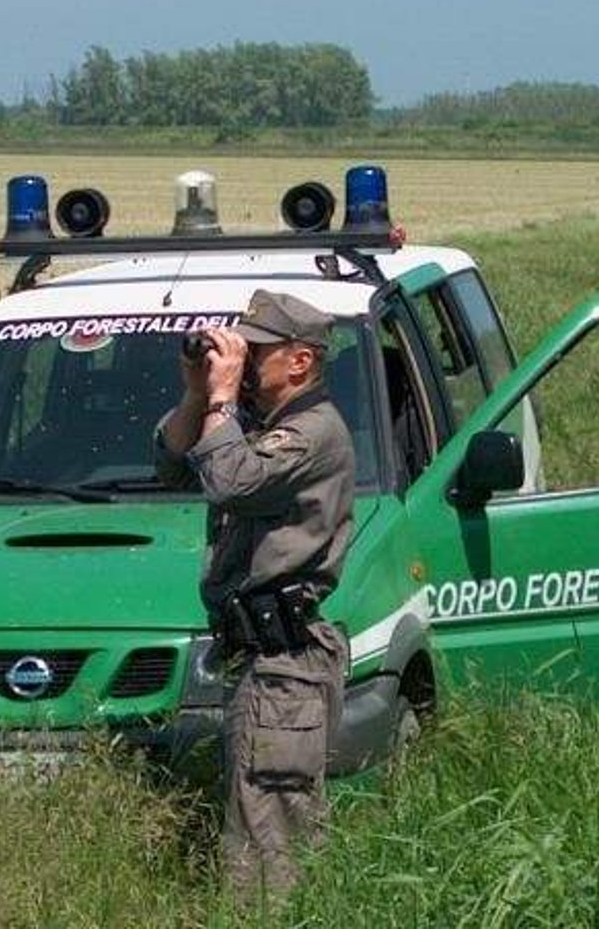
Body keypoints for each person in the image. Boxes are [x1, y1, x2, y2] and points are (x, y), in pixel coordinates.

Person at [153, 289, 355, 902]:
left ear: (300, 361)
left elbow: (229, 481)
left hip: (285, 665)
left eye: (254, 352)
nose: (238, 363)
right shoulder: (266, 426)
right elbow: (173, 465)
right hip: (262, 662)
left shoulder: (312, 432)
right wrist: (197, 391)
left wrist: (220, 398)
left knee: (272, 840)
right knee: (255, 816)